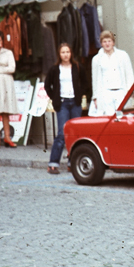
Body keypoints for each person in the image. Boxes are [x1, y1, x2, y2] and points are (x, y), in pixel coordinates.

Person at [44, 43, 82, 174]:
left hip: (75, 103)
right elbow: (47, 85)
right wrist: (55, 98)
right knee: (62, 133)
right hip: (62, 103)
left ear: (71, 53)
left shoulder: (77, 67)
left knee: (76, 134)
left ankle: (73, 162)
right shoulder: (54, 69)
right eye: (63, 52)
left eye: (67, 52)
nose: (65, 54)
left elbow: (85, 83)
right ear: (59, 55)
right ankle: (53, 163)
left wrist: (79, 95)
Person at [89, 30, 134, 116]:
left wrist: (130, 92)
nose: (107, 44)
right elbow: (95, 79)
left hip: (121, 91)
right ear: (101, 44)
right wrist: (95, 98)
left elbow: (129, 74)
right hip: (106, 93)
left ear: (113, 42)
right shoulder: (97, 59)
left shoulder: (122, 55)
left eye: (109, 41)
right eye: (104, 41)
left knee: (122, 117)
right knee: (109, 118)